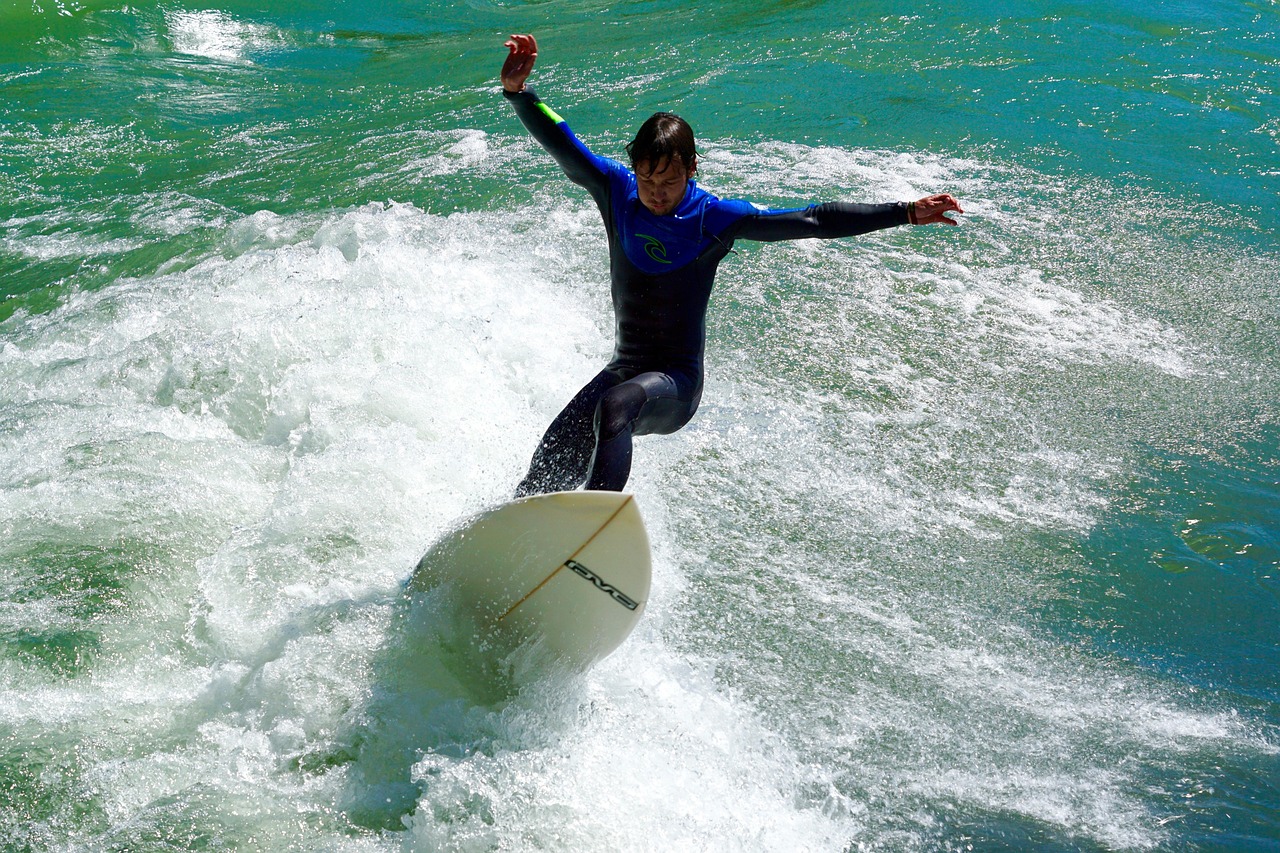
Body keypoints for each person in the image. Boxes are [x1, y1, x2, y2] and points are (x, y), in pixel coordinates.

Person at [501, 34, 962, 497]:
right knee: (550, 458)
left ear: (693, 168)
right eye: (647, 179)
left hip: (675, 385)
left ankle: (596, 525)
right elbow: (564, 145)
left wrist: (903, 211)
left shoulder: (713, 218)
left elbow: (814, 219)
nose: (656, 192)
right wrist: (520, 94)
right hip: (625, 367)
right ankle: (523, 527)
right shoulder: (616, 192)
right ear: (633, 168)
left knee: (615, 406)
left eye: (670, 180)